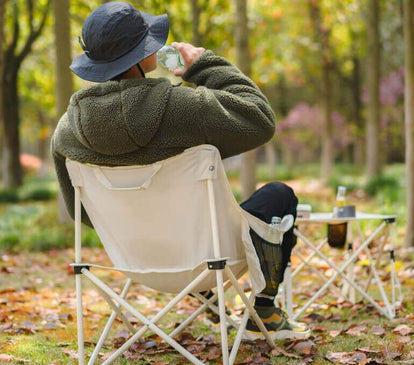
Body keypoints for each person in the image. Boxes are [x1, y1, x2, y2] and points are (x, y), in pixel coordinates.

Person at [51, 1, 310, 341]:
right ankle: (264, 312)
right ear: (142, 57)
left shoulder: (65, 133)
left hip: (136, 262)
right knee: (279, 195)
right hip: (208, 259)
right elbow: (259, 118)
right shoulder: (184, 109)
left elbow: (82, 213)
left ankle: (215, 305)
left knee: (181, 225)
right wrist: (204, 65)